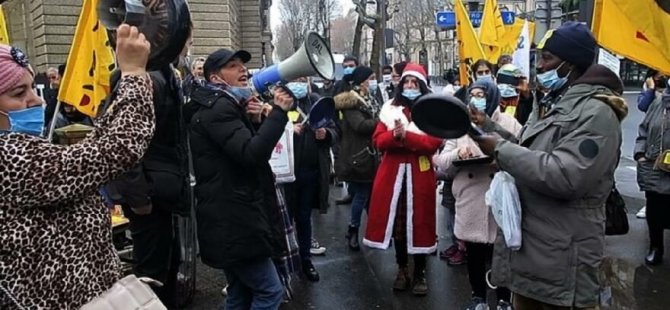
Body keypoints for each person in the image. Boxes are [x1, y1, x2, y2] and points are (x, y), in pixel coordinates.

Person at [474, 22, 628, 310]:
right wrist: (488, 127)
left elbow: (566, 175)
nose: (540, 66)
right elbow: (530, 149)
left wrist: (500, 150)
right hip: (537, 247)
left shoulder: (597, 112)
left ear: (570, 65)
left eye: (547, 59)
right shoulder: (552, 102)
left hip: (564, 253)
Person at [0, 24, 154, 309]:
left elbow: (96, 149)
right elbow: (117, 149)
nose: (36, 99)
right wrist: (133, 74)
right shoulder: (9, 158)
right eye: (19, 92)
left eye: (32, 87)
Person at [187, 47, 294, 310]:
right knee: (270, 292)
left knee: (240, 293)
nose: (243, 70)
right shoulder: (220, 109)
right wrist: (279, 114)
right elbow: (251, 154)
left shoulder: (222, 105)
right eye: (233, 66)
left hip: (230, 218)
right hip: (235, 221)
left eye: (242, 65)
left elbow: (236, 154)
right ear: (215, 78)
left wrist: (256, 122)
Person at [106, 28, 193, 309]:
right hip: (149, 197)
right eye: (187, 39)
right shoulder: (148, 79)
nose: (189, 45)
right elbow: (123, 146)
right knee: (152, 275)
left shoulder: (164, 74)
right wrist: (139, 197)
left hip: (161, 192)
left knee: (166, 266)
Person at [434, 79, 521, 310]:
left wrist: (500, 157)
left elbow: (523, 152)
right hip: (471, 197)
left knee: (502, 253)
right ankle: (478, 298)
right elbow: (441, 161)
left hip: (501, 197)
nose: (476, 99)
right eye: (472, 94)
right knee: (474, 253)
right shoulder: (459, 125)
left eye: (481, 94)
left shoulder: (509, 123)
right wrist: (458, 155)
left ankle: (504, 299)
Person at [364, 63, 442, 296]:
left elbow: (432, 143)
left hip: (420, 176)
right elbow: (378, 141)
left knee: (420, 223)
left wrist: (406, 137)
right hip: (393, 177)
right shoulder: (389, 110)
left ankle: (420, 272)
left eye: (414, 83)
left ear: (422, 86)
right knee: (398, 226)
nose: (409, 86)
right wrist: (394, 136)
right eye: (406, 82)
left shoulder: (431, 110)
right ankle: (402, 268)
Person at [283, 76, 338, 281]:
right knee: (284, 221)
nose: (298, 83)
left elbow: (335, 130)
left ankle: (305, 261)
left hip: (309, 172)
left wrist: (328, 134)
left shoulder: (316, 101)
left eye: (302, 79)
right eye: (294, 79)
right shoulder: (279, 103)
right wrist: (289, 131)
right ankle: (285, 264)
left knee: (304, 219)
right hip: (285, 175)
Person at [334, 66, 379, 251]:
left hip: (365, 155)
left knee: (367, 196)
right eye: (371, 78)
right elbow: (360, 126)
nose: (374, 82)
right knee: (361, 195)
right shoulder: (351, 103)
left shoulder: (366, 100)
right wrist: (381, 120)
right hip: (358, 157)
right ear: (362, 82)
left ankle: (375, 231)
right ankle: (353, 230)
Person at [634, 85, 670, 265]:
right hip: (655, 166)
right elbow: (643, 131)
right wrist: (640, 154)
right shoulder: (658, 103)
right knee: (654, 208)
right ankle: (656, 247)